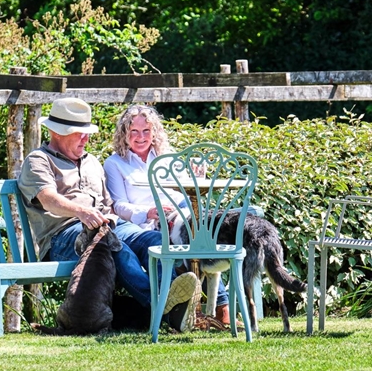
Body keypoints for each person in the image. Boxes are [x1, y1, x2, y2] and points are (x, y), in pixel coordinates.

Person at [17, 98, 201, 333]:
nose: (86, 139)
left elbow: (110, 206)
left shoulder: (92, 161)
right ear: (57, 133)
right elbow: (48, 199)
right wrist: (81, 212)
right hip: (65, 236)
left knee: (154, 241)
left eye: (87, 133)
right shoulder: (38, 160)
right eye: (79, 133)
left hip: (108, 226)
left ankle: (167, 300)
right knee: (115, 248)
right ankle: (165, 308)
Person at [103, 104, 232, 322]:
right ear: (124, 133)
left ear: (154, 133)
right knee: (192, 236)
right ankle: (218, 307)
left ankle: (219, 308)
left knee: (197, 232)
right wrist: (148, 212)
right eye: (134, 131)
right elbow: (118, 205)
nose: (140, 137)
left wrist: (196, 178)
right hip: (146, 226)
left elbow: (186, 193)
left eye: (146, 131)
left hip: (177, 219)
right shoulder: (115, 163)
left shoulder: (168, 157)